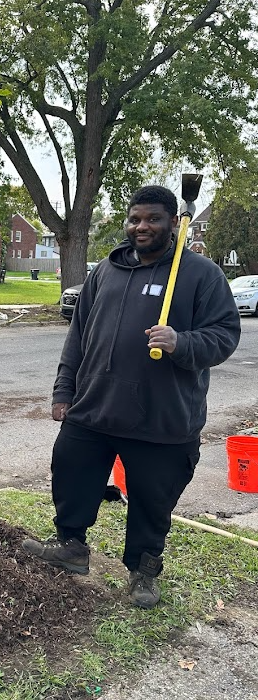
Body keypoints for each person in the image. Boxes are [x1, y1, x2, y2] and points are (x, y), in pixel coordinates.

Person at [23, 185, 241, 609]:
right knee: (71, 472)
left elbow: (225, 335)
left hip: (162, 417)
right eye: (135, 218)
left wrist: (182, 341)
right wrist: (63, 390)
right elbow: (79, 336)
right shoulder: (105, 270)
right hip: (94, 406)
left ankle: (143, 570)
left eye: (153, 219)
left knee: (152, 499)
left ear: (173, 223)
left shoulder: (199, 274)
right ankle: (71, 546)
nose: (142, 226)